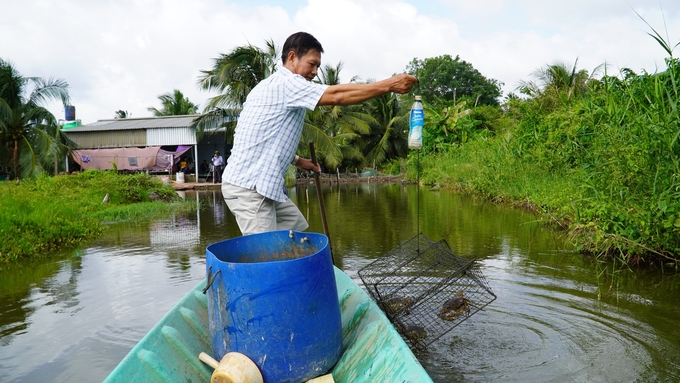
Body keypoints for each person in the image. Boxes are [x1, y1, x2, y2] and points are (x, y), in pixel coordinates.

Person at [222, 31, 418, 236]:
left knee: (293, 225)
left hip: (259, 184)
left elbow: (263, 137)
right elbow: (338, 95)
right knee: (265, 253)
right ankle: (259, 264)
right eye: (312, 64)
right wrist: (389, 85)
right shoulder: (287, 84)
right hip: (250, 188)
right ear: (291, 57)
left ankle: (277, 262)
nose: (315, 72)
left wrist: (298, 160)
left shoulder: (273, 86)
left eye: (318, 67)